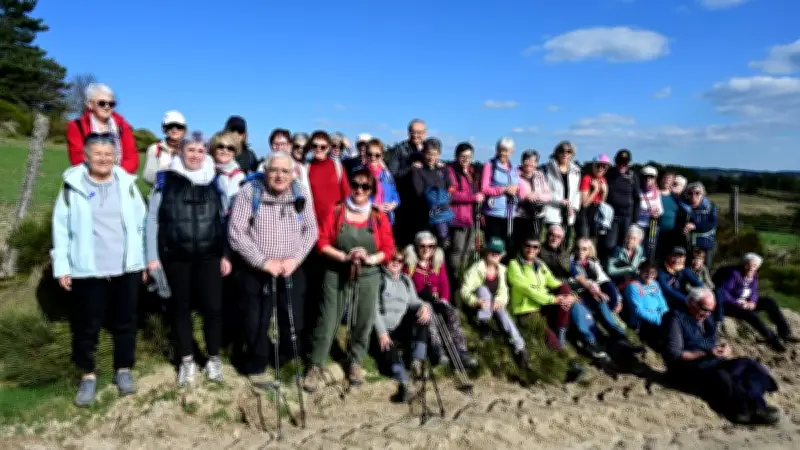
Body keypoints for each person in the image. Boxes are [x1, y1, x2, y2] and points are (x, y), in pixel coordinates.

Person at [52, 132, 147, 406]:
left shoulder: (127, 184)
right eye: (98, 154)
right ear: (86, 156)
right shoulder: (72, 186)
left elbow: (140, 224)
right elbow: (61, 229)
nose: (104, 159)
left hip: (126, 266)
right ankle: (88, 375)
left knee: (126, 321)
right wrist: (62, 266)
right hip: (88, 269)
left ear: (115, 156)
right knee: (86, 325)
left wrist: (141, 261)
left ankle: (124, 370)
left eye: (109, 154)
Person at [145, 134, 230, 386]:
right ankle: (187, 361)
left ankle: (213, 359)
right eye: (190, 150)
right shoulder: (165, 180)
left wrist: (226, 254)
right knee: (179, 310)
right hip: (176, 257)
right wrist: (152, 258)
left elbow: (224, 220)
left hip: (210, 257)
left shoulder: (216, 181)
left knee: (213, 310)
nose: (195, 155)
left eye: (200, 150)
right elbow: (151, 219)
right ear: (180, 151)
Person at [228, 151, 318, 384]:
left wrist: (295, 260)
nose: (279, 175)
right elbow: (236, 232)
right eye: (274, 170)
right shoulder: (250, 191)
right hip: (256, 268)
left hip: (290, 267)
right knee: (255, 320)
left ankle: (285, 360)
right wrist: (263, 262)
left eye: (285, 171)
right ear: (265, 171)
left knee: (293, 318)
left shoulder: (301, 193)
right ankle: (257, 362)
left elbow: (311, 230)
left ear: (292, 173)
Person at [304, 167, 394, 392]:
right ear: (350, 185)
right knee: (328, 318)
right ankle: (316, 365)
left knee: (363, 319)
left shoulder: (378, 216)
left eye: (365, 186)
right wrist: (343, 256)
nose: (360, 190)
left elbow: (388, 249)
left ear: (372, 189)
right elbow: (322, 242)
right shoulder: (337, 211)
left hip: (368, 274)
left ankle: (355, 361)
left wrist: (370, 258)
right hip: (336, 271)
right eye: (356, 185)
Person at [662, 288, 780, 425]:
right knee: (723, 377)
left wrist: (722, 348)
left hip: (710, 361)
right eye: (704, 309)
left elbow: (711, 342)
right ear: (692, 303)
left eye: (710, 310)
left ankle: (758, 405)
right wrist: (706, 353)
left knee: (747, 365)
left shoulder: (707, 319)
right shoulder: (674, 318)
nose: (707, 314)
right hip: (686, 368)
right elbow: (674, 354)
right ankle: (741, 411)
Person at [404, 231, 477, 369]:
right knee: (429, 316)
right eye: (423, 246)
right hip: (420, 302)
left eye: (431, 246)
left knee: (452, 313)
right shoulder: (410, 264)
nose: (427, 250)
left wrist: (444, 300)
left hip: (437, 299)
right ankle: (437, 350)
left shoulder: (437, 262)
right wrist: (421, 299)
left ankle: (461, 351)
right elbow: (406, 286)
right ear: (416, 247)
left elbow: (444, 283)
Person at [460, 237, 529, 367]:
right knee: (483, 289)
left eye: (498, 252)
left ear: (502, 254)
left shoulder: (502, 270)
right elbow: (464, 290)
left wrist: (500, 301)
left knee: (504, 314)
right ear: (486, 252)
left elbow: (504, 291)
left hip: (492, 304)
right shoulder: (476, 268)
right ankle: (484, 324)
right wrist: (475, 301)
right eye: (492, 251)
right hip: (478, 306)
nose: (495, 254)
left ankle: (519, 347)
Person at [373, 250, 432, 402]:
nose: (396, 263)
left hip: (401, 326)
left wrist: (424, 306)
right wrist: (381, 333)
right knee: (388, 348)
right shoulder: (377, 280)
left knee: (422, 318)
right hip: (383, 328)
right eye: (392, 259)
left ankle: (417, 362)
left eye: (399, 261)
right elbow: (372, 310)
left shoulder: (406, 280)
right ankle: (404, 382)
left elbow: (413, 301)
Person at [717, 253, 799, 352]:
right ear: (744, 264)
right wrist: (738, 303)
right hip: (730, 305)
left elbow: (754, 291)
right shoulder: (734, 274)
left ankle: (785, 333)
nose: (751, 268)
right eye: (749, 265)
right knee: (750, 315)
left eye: (755, 266)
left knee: (769, 302)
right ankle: (771, 339)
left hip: (746, 303)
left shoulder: (754, 276)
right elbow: (723, 293)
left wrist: (752, 302)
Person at [507, 236, 572, 351]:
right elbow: (527, 289)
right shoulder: (514, 265)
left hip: (542, 307)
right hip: (527, 311)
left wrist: (571, 296)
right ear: (522, 247)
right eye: (528, 246)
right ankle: (561, 354)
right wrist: (552, 299)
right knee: (552, 340)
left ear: (538, 249)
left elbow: (553, 282)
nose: (531, 249)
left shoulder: (540, 264)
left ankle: (561, 333)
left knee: (565, 287)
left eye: (535, 247)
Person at [569, 238, 632, 348]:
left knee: (602, 302)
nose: (580, 252)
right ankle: (597, 340)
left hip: (596, 293)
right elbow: (573, 281)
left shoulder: (593, 263)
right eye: (578, 249)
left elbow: (605, 278)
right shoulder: (571, 263)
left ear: (589, 251)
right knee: (599, 302)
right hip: (581, 293)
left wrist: (618, 298)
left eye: (584, 249)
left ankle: (619, 336)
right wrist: (594, 289)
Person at [66, 83, 139, 174]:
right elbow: (77, 158)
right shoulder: (76, 126)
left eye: (111, 104)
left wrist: (117, 176)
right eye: (102, 103)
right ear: (90, 104)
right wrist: (102, 174)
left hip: (120, 179)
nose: (107, 107)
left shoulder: (123, 127)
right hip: (89, 179)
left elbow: (132, 158)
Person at [447, 142, 484, 278]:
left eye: (468, 156)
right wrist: (473, 197)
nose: (466, 160)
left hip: (472, 217)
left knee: (468, 250)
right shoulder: (451, 171)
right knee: (457, 250)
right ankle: (455, 277)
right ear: (456, 156)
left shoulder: (473, 172)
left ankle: (464, 276)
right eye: (463, 156)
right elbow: (452, 194)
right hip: (458, 217)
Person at [481, 137, 520, 254]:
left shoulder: (514, 168)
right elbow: (484, 188)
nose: (503, 153)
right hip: (494, 212)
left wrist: (516, 188)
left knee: (508, 246)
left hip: (511, 213)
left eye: (506, 150)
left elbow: (518, 186)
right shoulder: (489, 165)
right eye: (501, 149)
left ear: (512, 152)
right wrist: (504, 190)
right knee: (494, 245)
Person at [307, 130, 350, 229]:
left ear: (329, 148)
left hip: (336, 224)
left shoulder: (338, 167)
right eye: (315, 146)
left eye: (323, 147)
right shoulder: (306, 168)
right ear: (310, 147)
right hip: (312, 225)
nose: (319, 149)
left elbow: (347, 195)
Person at [542, 141, 581, 249]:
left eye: (568, 152)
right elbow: (544, 192)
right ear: (556, 153)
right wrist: (560, 200)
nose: (565, 154)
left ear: (572, 154)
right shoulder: (547, 169)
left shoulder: (576, 171)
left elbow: (576, 192)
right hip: (552, 213)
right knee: (550, 245)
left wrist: (574, 207)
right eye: (562, 151)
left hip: (568, 214)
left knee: (565, 245)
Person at [412, 138, 452, 241]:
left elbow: (450, 187)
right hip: (424, 215)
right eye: (429, 154)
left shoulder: (443, 169)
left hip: (443, 214)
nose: (431, 157)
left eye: (435, 154)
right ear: (423, 153)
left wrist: (447, 200)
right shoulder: (418, 170)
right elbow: (419, 192)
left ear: (439, 154)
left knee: (441, 244)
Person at [603, 149, 641, 259]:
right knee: (609, 244)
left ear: (629, 163)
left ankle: (621, 270)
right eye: (620, 163)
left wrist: (635, 220)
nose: (622, 166)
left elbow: (637, 199)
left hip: (627, 216)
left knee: (625, 244)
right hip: (611, 216)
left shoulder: (633, 176)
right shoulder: (609, 173)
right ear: (615, 162)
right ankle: (608, 266)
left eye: (625, 163)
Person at [622, 260, 669, 350]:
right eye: (646, 272)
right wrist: (659, 320)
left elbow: (662, 303)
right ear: (640, 271)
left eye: (653, 273)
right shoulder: (633, 286)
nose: (649, 275)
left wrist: (665, 316)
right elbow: (638, 311)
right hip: (642, 323)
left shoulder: (655, 284)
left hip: (658, 318)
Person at [515, 150, 551, 250]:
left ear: (537, 163)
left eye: (534, 161)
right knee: (520, 243)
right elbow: (513, 192)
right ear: (522, 161)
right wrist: (526, 196)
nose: (530, 163)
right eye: (527, 160)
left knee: (534, 243)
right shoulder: (514, 174)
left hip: (538, 215)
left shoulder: (540, 175)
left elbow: (548, 195)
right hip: (520, 215)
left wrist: (537, 195)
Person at [677, 182, 718, 266]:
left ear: (703, 194)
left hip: (705, 244)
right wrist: (682, 229)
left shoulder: (710, 207)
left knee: (704, 268)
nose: (693, 196)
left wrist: (695, 226)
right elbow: (677, 222)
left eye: (697, 193)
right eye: (690, 193)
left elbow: (712, 223)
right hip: (686, 245)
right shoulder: (682, 207)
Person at [142, 110, 187, 185]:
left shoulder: (191, 149)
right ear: (164, 128)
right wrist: (168, 171)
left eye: (179, 126)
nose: (174, 129)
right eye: (170, 126)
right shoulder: (155, 148)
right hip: (161, 194)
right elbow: (147, 176)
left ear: (184, 130)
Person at [362, 138, 400, 223]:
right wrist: (374, 206)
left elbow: (394, 193)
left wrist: (394, 203)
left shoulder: (387, 174)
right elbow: (354, 196)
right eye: (369, 154)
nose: (373, 157)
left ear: (382, 156)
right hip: (366, 219)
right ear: (365, 154)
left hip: (386, 219)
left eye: (377, 155)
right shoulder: (359, 173)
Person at [657, 247, 705, 312]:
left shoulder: (685, 271)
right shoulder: (662, 272)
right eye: (674, 256)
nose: (677, 260)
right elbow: (667, 290)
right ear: (668, 256)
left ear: (684, 259)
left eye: (680, 257)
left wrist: (702, 294)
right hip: (666, 303)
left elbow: (697, 283)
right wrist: (686, 300)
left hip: (681, 303)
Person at [209, 131, 245, 215]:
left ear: (235, 152)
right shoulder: (204, 170)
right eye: (220, 146)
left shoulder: (239, 176)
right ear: (213, 149)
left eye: (230, 148)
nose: (225, 150)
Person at [577, 154, 610, 239]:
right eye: (598, 166)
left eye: (604, 167)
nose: (600, 169)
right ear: (593, 166)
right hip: (586, 212)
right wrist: (595, 190)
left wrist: (605, 192)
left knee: (593, 240)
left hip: (597, 211)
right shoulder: (587, 179)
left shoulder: (603, 180)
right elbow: (584, 204)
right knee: (584, 239)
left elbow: (602, 203)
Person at [636, 166, 662, 259]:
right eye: (645, 177)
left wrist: (656, 212)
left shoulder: (657, 193)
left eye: (651, 177)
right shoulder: (638, 192)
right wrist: (646, 211)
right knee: (638, 247)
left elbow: (660, 210)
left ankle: (649, 266)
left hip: (652, 225)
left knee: (651, 247)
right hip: (639, 225)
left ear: (655, 179)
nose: (648, 179)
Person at [657, 170, 681, 261]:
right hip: (655, 231)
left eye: (670, 179)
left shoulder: (676, 197)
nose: (667, 180)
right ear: (661, 179)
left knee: (668, 256)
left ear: (673, 181)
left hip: (672, 232)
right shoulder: (655, 194)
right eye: (665, 178)